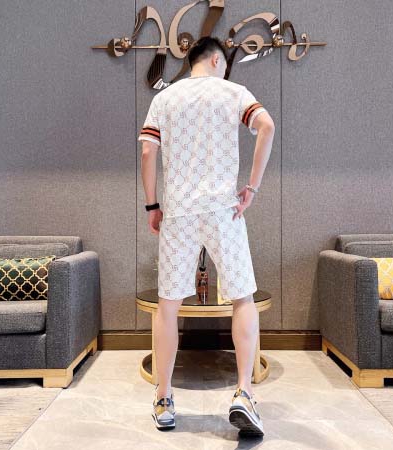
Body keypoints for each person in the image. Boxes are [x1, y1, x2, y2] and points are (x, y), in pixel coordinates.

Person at [138, 36, 275, 435]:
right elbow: (266, 126)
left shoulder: (165, 98)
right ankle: (244, 392)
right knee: (242, 297)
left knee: (168, 305)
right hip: (222, 209)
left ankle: (164, 399)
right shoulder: (234, 92)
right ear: (217, 60)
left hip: (179, 211)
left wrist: (152, 205)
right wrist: (252, 187)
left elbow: (147, 152)